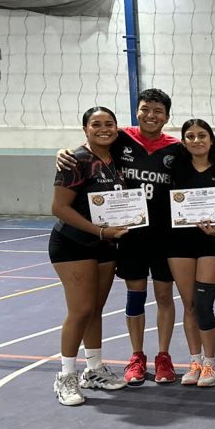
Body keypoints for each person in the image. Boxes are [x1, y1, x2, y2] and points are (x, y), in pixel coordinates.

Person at [56, 88, 180, 386]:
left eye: (158, 111)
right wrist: (62, 153)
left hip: (162, 235)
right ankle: (136, 356)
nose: (151, 115)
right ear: (137, 112)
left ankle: (163, 356)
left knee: (163, 297)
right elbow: (89, 145)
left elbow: (204, 161)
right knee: (132, 297)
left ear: (167, 116)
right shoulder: (121, 137)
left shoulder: (176, 148)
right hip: (128, 236)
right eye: (145, 109)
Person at [49, 106, 130, 405]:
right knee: (80, 310)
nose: (103, 129)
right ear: (85, 129)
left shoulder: (118, 156)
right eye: (96, 124)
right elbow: (59, 208)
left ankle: (93, 370)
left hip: (105, 245)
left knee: (96, 309)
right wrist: (99, 231)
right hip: (73, 244)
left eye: (109, 123)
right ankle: (65, 376)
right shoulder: (76, 159)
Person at [169, 119, 215, 388]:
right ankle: (195, 361)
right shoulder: (175, 169)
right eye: (190, 136)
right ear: (184, 141)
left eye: (202, 135)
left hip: (211, 244)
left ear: (211, 139)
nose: (196, 140)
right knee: (188, 305)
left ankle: (211, 362)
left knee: (203, 304)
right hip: (179, 242)